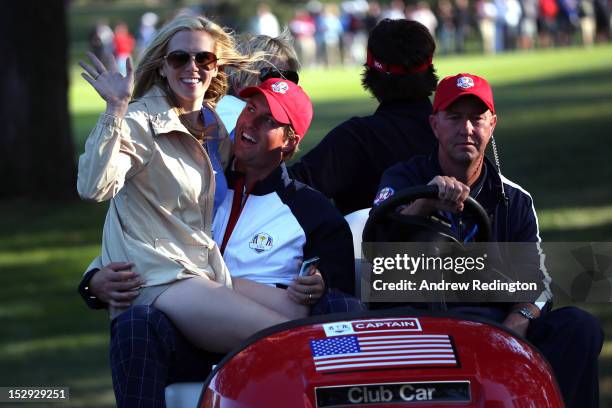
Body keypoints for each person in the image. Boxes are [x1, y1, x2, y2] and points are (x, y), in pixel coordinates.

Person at [80, 78, 357, 407]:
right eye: (250, 109)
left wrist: (318, 285)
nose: (249, 122)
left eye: (268, 120)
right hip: (188, 339)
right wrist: (93, 282)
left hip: (269, 348)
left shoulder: (313, 212)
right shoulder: (198, 183)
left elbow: (337, 299)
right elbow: (138, 233)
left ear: (289, 142)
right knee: (135, 325)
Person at [78, 15, 311, 358]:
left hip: (202, 268)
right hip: (163, 277)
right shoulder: (138, 120)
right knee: (287, 339)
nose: (193, 66)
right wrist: (115, 108)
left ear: (217, 67)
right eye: (179, 58)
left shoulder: (215, 125)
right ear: (161, 66)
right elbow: (94, 187)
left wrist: (317, 273)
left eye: (204, 58)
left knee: (301, 314)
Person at [372, 73, 603, 408]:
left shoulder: (515, 199)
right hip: (417, 320)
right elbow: (376, 245)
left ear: (492, 124)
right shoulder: (401, 178)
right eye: (454, 118)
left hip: (491, 325)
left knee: (580, 327)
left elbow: (537, 286)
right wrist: (423, 204)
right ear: (434, 125)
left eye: (476, 118)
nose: (466, 129)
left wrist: (517, 321)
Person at [288, 19, 437, 215]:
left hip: (371, 245)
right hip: (455, 246)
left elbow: (288, 190)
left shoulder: (356, 138)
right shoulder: (458, 133)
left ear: (372, 73)